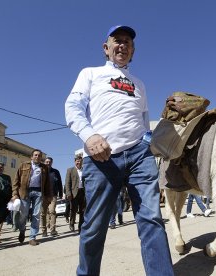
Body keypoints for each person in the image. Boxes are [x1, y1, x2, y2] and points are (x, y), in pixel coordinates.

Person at [65, 25, 174, 275]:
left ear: (133, 52)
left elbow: (144, 122)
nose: (123, 45)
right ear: (106, 48)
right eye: (117, 41)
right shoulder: (90, 74)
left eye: (128, 42)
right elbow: (73, 107)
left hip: (139, 155)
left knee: (152, 220)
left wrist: (148, 144)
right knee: (95, 225)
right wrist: (89, 136)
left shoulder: (139, 84)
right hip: (101, 157)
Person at [12, 149, 51, 246]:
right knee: (23, 214)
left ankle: (32, 237)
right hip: (25, 192)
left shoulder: (44, 168)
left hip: (38, 192)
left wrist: (48, 196)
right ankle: (22, 229)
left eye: (39, 155)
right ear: (31, 157)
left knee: (36, 215)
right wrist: (15, 193)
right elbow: (16, 180)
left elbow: (47, 184)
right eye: (35, 155)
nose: (37, 157)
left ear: (41, 157)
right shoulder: (23, 165)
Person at [41, 157, 63, 237]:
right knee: (43, 213)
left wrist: (60, 193)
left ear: (52, 163)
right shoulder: (41, 171)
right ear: (44, 162)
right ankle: (44, 231)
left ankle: (53, 230)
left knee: (52, 211)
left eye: (49, 162)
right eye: (46, 162)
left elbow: (60, 183)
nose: (48, 163)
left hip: (53, 195)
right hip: (43, 195)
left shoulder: (56, 172)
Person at [65, 155, 85, 234]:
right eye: (77, 161)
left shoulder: (85, 170)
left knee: (83, 211)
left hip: (83, 192)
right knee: (73, 210)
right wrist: (68, 193)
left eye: (80, 161)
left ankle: (81, 227)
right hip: (74, 193)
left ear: (82, 162)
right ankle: (72, 223)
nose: (78, 162)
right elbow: (67, 182)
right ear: (75, 162)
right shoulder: (70, 170)